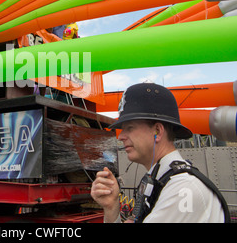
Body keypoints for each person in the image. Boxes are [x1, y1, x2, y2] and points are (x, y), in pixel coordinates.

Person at [91, 82, 230, 223]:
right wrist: (111, 208)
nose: (120, 136)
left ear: (157, 131)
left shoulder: (181, 189)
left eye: (130, 128)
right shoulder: (164, 181)